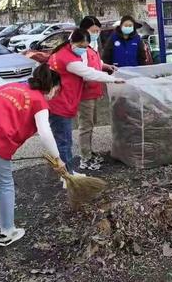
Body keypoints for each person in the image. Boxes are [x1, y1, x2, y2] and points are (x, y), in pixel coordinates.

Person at [0, 64, 66, 260]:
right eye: (56, 91)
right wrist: (58, 159)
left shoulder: (9, 87)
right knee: (5, 184)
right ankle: (7, 231)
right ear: (51, 86)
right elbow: (45, 133)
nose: (54, 95)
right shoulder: (39, 100)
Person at [48, 28, 121, 174]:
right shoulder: (67, 59)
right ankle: (68, 175)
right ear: (72, 42)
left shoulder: (65, 53)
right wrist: (113, 79)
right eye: (81, 46)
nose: (83, 49)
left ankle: (66, 172)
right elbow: (89, 73)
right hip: (60, 104)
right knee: (64, 142)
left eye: (85, 46)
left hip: (61, 101)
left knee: (63, 141)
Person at [77, 16, 116, 171]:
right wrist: (107, 77)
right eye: (93, 31)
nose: (96, 33)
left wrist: (107, 66)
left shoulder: (91, 44)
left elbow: (97, 62)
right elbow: (86, 72)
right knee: (85, 125)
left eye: (97, 31)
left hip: (94, 90)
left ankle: (89, 152)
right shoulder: (80, 47)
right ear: (84, 30)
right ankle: (84, 157)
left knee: (91, 123)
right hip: (85, 93)